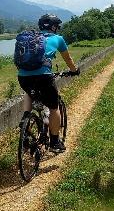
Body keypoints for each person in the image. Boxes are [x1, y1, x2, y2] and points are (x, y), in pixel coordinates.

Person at [17, 14, 79, 153]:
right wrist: (74, 70)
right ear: (53, 27)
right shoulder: (58, 39)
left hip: (23, 77)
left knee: (29, 92)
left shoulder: (31, 39)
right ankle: (55, 142)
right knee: (53, 108)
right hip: (44, 77)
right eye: (57, 26)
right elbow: (68, 60)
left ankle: (26, 117)